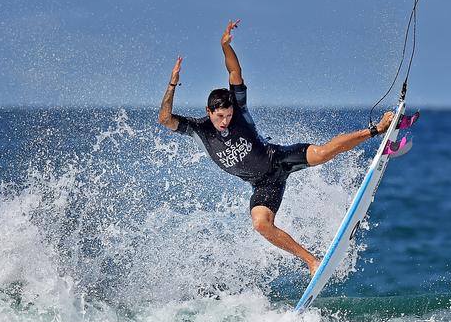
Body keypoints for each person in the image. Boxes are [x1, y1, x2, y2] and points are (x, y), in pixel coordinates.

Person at [158, 20, 394, 276]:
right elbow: (165, 119)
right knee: (261, 224)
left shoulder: (239, 110)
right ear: (208, 112)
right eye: (220, 117)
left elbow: (234, 74)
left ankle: (376, 130)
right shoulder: (199, 129)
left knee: (324, 152)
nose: (225, 122)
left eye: (227, 115)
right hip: (264, 185)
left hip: (279, 159)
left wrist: (225, 46)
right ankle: (312, 262)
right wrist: (172, 85)